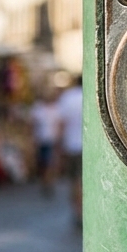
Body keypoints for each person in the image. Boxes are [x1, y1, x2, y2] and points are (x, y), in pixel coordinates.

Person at [57, 73, 84, 227]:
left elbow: (61, 123)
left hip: (71, 145)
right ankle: (84, 210)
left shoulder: (67, 97)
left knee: (74, 180)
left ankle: (77, 211)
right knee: (83, 179)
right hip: (86, 146)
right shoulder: (88, 96)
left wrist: (59, 145)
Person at [29, 87, 63, 196]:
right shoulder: (38, 108)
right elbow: (33, 124)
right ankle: (45, 181)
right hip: (41, 139)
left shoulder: (57, 108)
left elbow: (59, 124)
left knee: (49, 162)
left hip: (51, 139)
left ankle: (48, 182)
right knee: (43, 163)